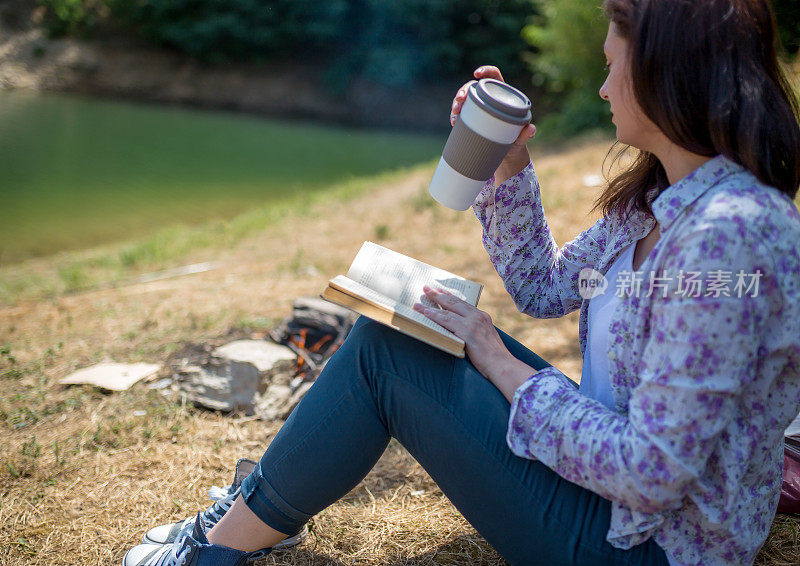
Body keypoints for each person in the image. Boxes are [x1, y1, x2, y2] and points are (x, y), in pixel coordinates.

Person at [122, 0, 800, 564]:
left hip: (649, 545)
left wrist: (500, 363)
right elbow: (543, 288)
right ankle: (258, 509)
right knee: (402, 331)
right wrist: (508, 164)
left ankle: (216, 549)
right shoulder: (656, 202)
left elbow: (653, 475)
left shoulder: (726, 236)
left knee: (390, 354)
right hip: (616, 489)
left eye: (609, 66)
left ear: (661, 71)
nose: (600, 89)